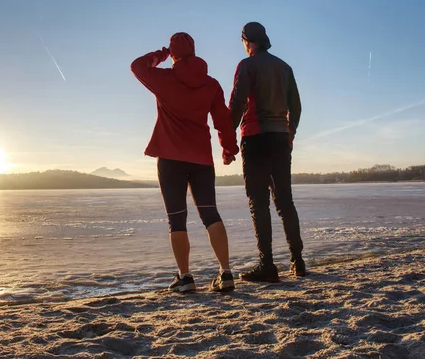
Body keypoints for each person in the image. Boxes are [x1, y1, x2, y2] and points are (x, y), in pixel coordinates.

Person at [131, 32, 240, 293]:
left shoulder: (164, 79)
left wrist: (161, 54)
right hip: (201, 159)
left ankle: (186, 277)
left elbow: (137, 66)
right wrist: (228, 149)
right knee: (210, 213)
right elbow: (222, 120)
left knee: (176, 220)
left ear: (174, 52)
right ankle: (225, 273)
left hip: (170, 159)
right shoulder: (211, 84)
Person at [228, 22, 306, 283]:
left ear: (247, 40)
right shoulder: (285, 67)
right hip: (280, 139)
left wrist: (228, 139)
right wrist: (290, 133)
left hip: (255, 138)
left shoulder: (247, 66)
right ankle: (298, 260)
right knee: (285, 201)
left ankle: (267, 265)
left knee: (258, 203)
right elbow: (296, 107)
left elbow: (238, 103)